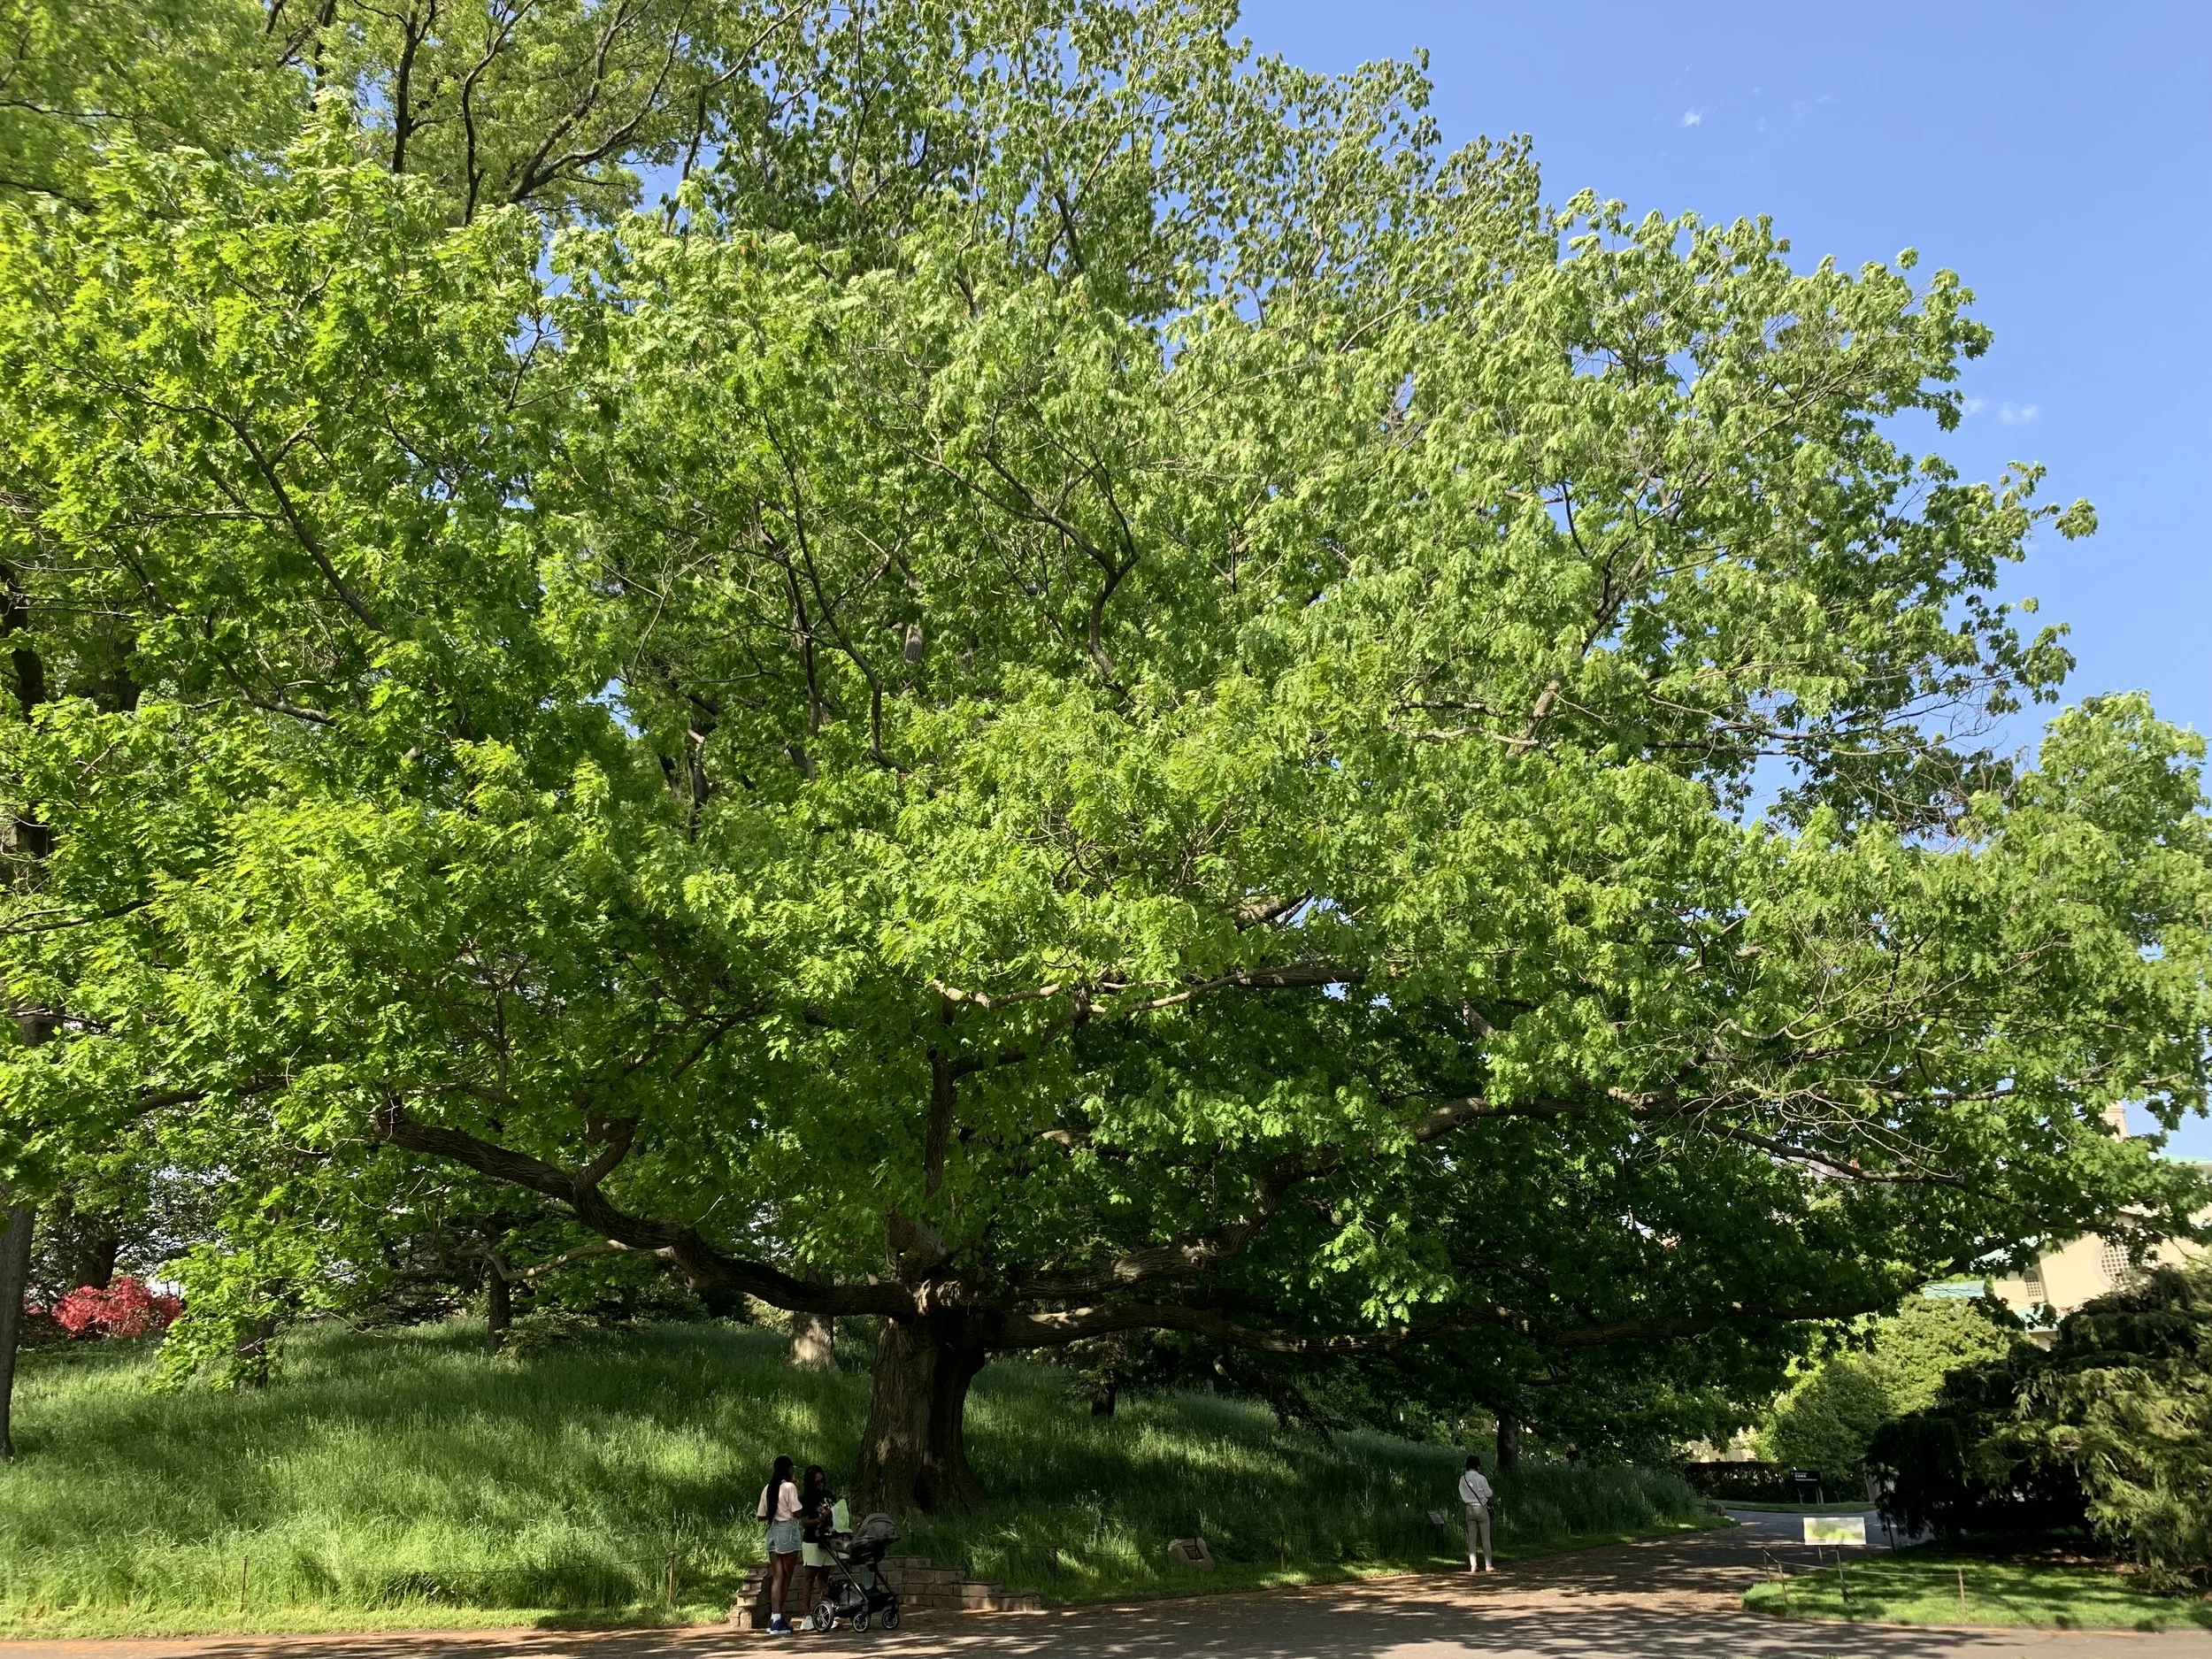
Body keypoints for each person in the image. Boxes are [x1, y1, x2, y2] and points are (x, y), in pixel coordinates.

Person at [757, 1454, 803, 1634]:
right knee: (787, 1575)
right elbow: (797, 1511)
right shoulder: (789, 1487)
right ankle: (778, 1617)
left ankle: (775, 1617)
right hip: (788, 1530)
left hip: (773, 1531)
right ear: (789, 1469)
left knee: (778, 1576)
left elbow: (761, 1515)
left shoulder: (768, 1488)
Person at [796, 1464, 841, 1628]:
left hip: (827, 1540)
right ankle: (806, 1615)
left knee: (824, 1578)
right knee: (810, 1577)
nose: (820, 1485)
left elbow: (837, 1514)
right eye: (816, 1482)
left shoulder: (829, 1495)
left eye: (822, 1481)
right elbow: (805, 1522)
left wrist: (831, 1518)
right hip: (812, 1541)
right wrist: (819, 1520)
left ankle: (826, 1611)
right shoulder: (806, 1499)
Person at [1458, 1453, 1494, 1573]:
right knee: (1485, 1538)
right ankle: (1488, 1565)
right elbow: (1489, 1494)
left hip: (1469, 1508)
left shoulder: (1463, 1479)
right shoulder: (1481, 1478)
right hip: (1481, 1508)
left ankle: (1473, 1565)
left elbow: (1462, 1495)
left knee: (1472, 1538)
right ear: (1477, 1465)